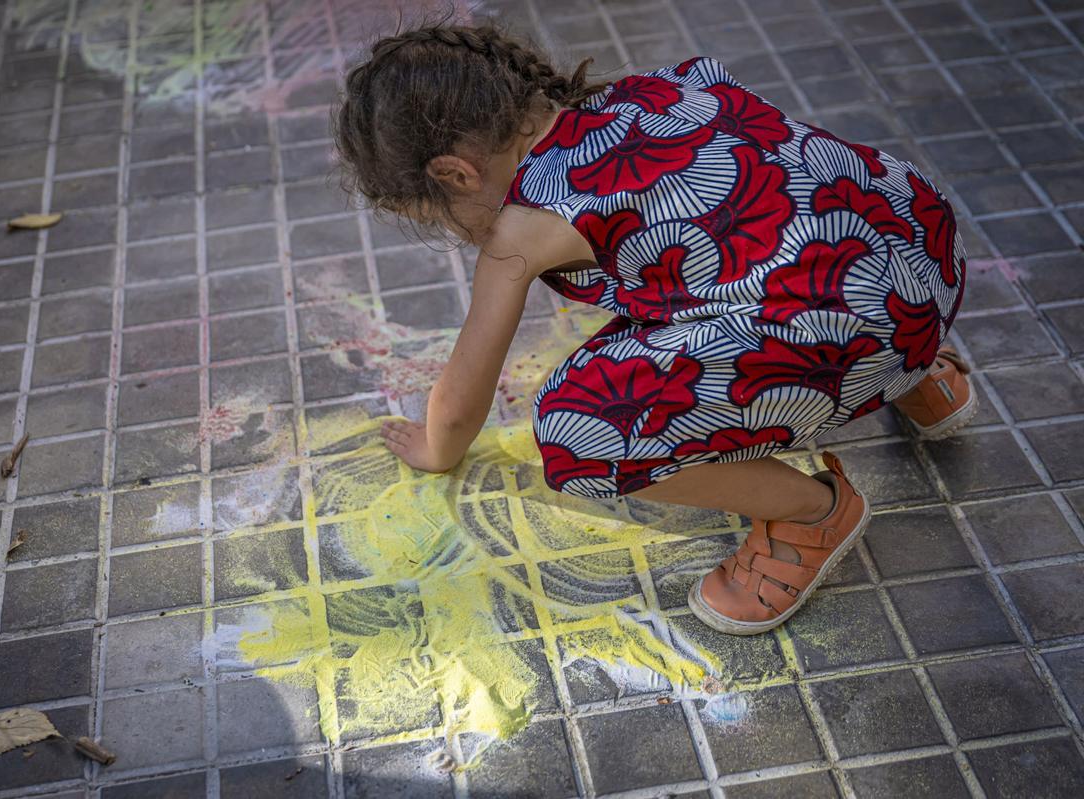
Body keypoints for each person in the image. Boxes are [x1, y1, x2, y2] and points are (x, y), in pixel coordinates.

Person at [333, 24, 974, 635]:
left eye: (440, 217)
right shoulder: (649, 93)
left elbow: (468, 380)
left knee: (577, 427)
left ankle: (812, 514)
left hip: (856, 335)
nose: (455, 231)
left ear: (454, 174)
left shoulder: (524, 225)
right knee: (740, 270)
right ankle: (922, 377)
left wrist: (436, 449)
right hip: (920, 262)